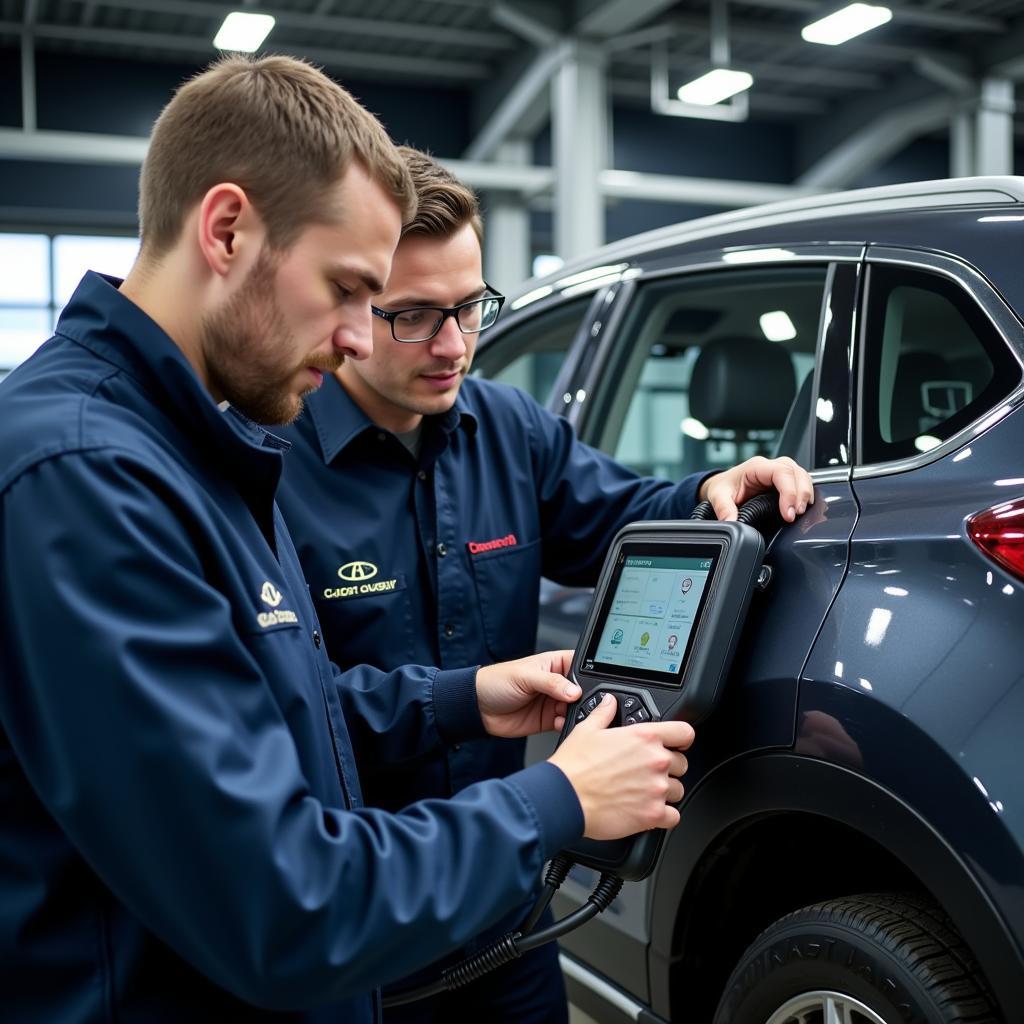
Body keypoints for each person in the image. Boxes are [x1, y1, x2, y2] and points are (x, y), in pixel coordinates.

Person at [0, 57, 696, 1024]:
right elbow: (282, 902)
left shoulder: (205, 445)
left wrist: (465, 698)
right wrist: (557, 801)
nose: (363, 342)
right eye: (353, 294)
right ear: (228, 230)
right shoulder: (89, 479)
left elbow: (276, 707)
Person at [275, 148, 816, 1022]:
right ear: (348, 300)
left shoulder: (510, 429)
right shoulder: (271, 467)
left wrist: (718, 490)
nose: (453, 346)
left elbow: (629, 516)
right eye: (412, 317)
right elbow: (286, 711)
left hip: (511, 917)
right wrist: (464, 698)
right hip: (362, 923)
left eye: (469, 307)